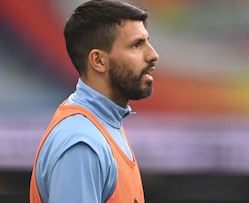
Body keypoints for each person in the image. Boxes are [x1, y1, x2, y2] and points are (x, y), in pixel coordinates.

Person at [30, 0, 159, 202]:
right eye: (136, 45)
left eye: (147, 41)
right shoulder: (81, 144)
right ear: (98, 61)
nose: (153, 55)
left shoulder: (105, 124)